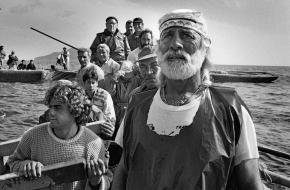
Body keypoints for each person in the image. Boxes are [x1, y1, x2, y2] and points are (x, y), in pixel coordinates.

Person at [112, 9, 263, 190]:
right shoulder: (137, 106)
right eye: (168, 35)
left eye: (187, 35)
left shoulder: (230, 108)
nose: (175, 44)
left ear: (204, 48)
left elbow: (250, 183)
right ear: (160, 48)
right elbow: (121, 174)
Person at [7, 80, 111, 190]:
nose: (50, 112)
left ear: (75, 109)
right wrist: (26, 165)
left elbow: (106, 178)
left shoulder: (93, 143)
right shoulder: (33, 136)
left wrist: (96, 182)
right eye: (50, 107)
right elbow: (12, 163)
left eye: (57, 108)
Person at [82, 67, 116, 140]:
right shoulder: (80, 96)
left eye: (93, 82)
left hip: (101, 131)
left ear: (97, 83)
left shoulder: (105, 95)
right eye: (88, 82)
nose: (91, 85)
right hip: (83, 131)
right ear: (84, 83)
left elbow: (110, 117)